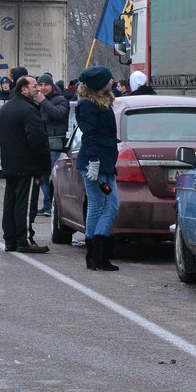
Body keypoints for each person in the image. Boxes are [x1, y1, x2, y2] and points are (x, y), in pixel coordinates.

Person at [0, 75, 51, 254]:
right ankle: (24, 240)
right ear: (24, 89)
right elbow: (37, 140)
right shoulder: (29, 110)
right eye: (35, 86)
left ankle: (10, 240)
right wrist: (43, 166)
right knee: (25, 204)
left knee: (10, 202)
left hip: (10, 164)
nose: (38, 89)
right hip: (27, 165)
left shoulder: (5, 109)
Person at [76, 65, 119, 270]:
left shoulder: (104, 102)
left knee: (109, 205)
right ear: (100, 84)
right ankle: (96, 255)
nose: (113, 81)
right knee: (100, 206)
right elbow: (89, 134)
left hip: (106, 162)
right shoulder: (87, 106)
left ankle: (96, 255)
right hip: (96, 162)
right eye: (109, 79)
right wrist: (93, 160)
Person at [36, 73, 69, 219]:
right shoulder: (35, 100)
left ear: (52, 85)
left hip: (54, 144)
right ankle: (47, 204)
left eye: (46, 85)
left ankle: (54, 205)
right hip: (40, 143)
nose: (43, 88)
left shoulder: (60, 99)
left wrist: (43, 102)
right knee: (42, 177)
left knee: (52, 177)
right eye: (40, 85)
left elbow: (58, 115)